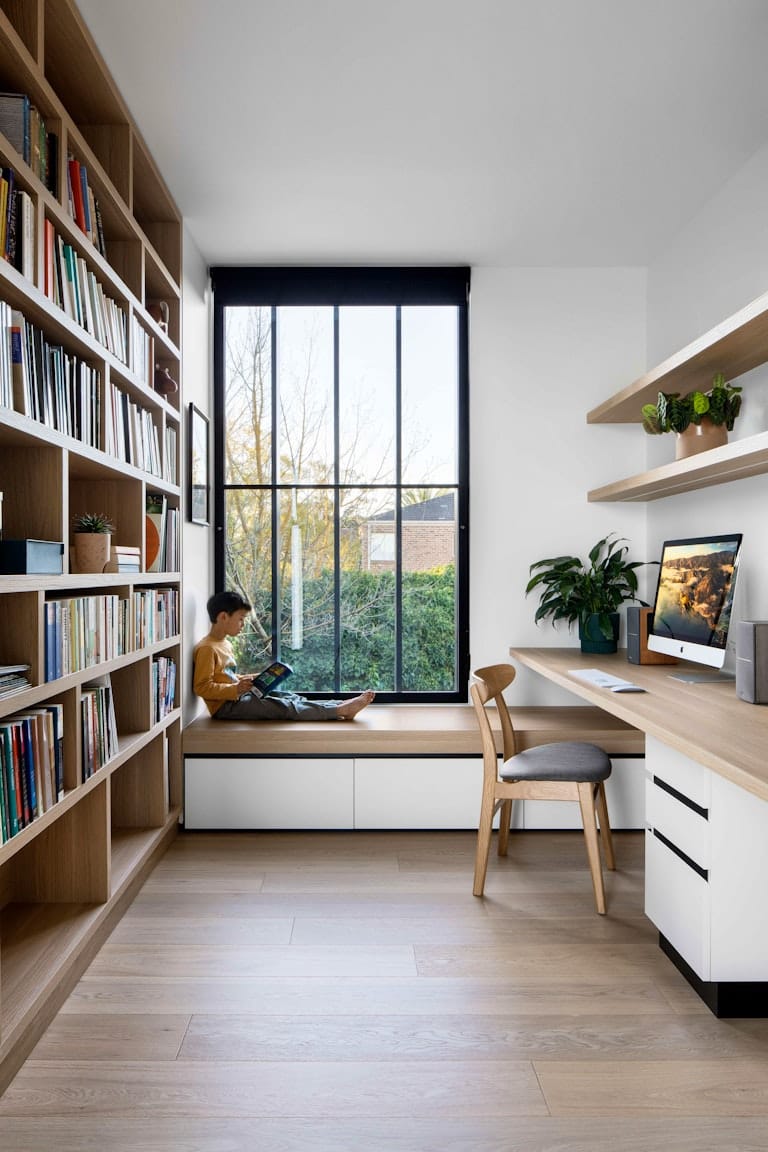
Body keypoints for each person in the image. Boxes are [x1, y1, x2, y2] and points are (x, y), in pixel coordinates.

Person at [193, 591, 375, 721]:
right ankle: (339, 711)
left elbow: (227, 677)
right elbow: (201, 687)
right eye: (240, 618)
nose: (242, 624)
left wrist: (248, 679)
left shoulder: (225, 644)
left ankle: (338, 704)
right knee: (284, 707)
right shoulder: (207, 648)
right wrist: (236, 689)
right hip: (226, 707)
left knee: (289, 697)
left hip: (237, 697)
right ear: (223, 617)